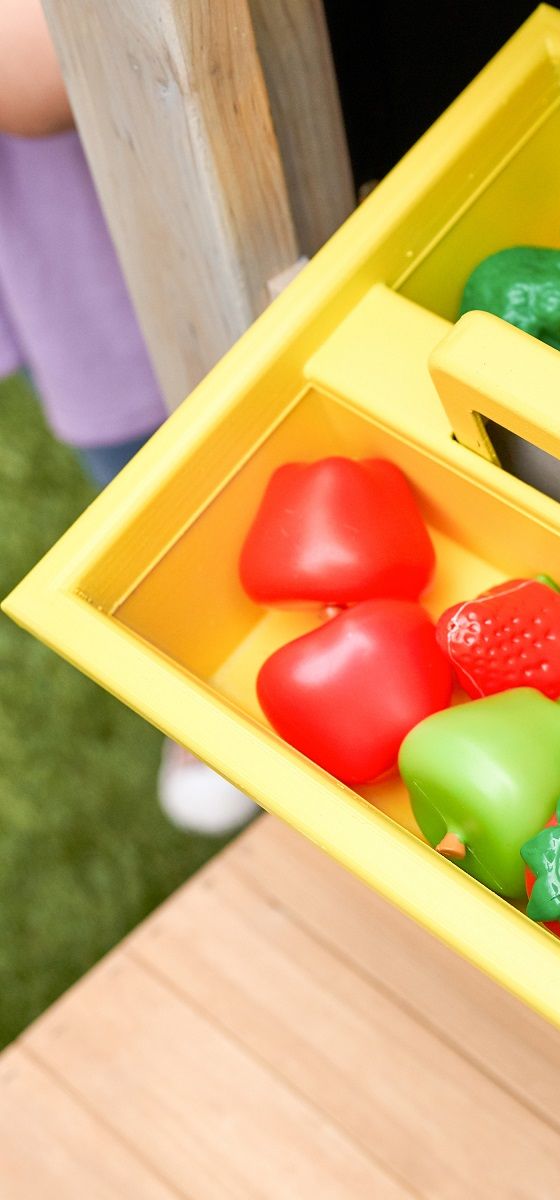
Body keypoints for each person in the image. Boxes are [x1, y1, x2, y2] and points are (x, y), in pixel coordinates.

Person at [0, 0, 256, 835]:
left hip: (185, 184)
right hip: (81, 276)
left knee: (261, 442)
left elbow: (36, 75)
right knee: (157, 500)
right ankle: (212, 671)